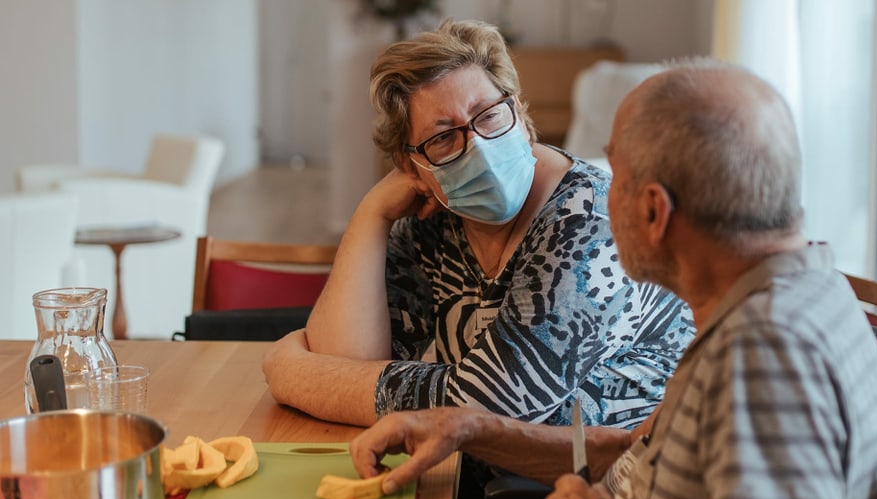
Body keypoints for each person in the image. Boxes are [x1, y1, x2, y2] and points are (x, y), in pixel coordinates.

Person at [348, 58, 877, 499]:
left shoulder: (763, 361)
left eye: (616, 177)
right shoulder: (780, 299)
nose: (594, 192)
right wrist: (469, 428)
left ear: (655, 212)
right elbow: (645, 458)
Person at [261, 19, 692, 430]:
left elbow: (488, 408)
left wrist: (294, 375)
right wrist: (372, 214)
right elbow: (346, 361)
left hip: (608, 486)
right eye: (443, 136)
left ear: (520, 114)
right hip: (480, 471)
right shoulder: (432, 222)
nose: (478, 147)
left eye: (489, 114)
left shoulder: (591, 226)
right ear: (413, 166)